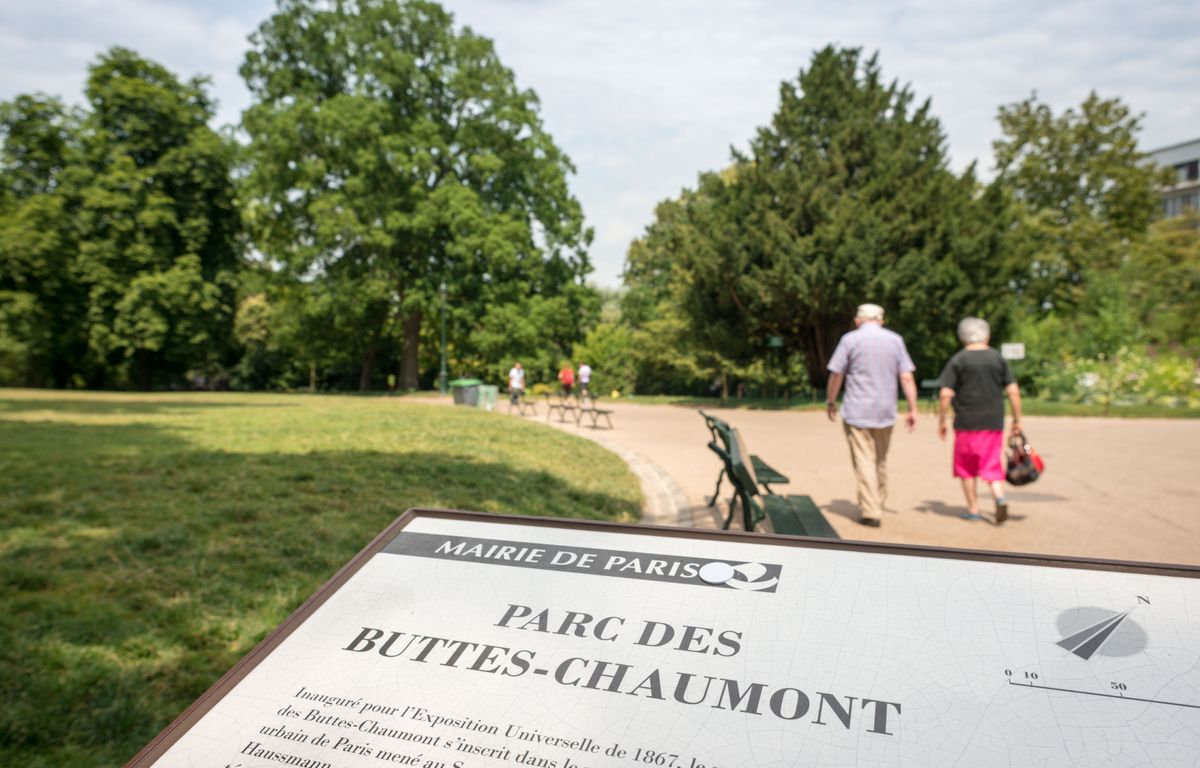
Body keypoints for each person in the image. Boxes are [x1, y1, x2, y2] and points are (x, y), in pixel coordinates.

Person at [825, 303, 919, 528]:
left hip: (857, 410)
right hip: (885, 410)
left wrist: (830, 400)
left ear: (858, 320)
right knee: (881, 459)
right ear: (881, 320)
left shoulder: (850, 340)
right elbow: (906, 377)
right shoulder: (895, 340)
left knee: (864, 460)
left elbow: (837, 374)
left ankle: (871, 510)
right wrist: (913, 408)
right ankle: (878, 499)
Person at [937, 317, 1023, 523]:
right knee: (991, 462)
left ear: (961, 337)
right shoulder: (997, 359)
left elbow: (945, 394)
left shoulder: (958, 360)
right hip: (993, 421)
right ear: (988, 335)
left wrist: (942, 420)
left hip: (966, 421)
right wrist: (1017, 420)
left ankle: (973, 509)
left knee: (966, 467)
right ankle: (999, 497)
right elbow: (1013, 392)